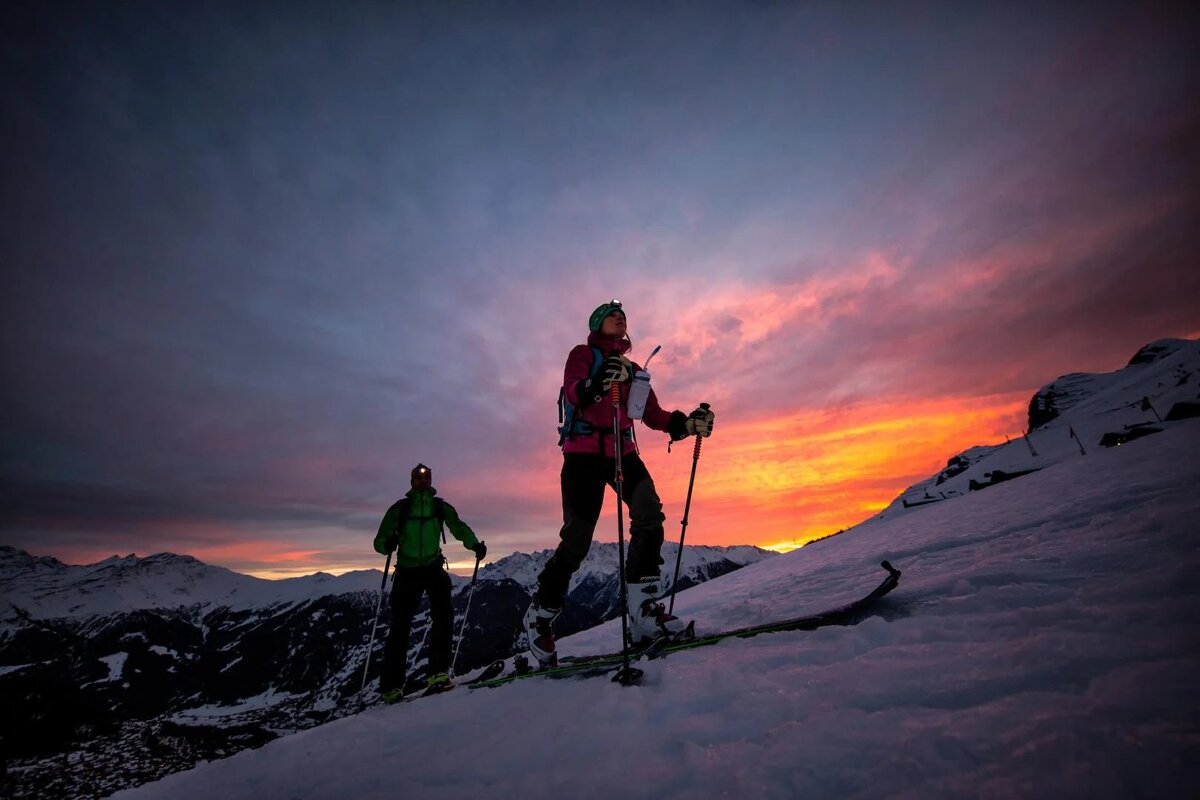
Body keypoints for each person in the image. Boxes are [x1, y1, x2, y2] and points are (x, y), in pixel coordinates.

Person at [524, 299, 715, 665]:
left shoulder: (632, 369)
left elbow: (652, 415)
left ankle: (643, 609)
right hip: (582, 453)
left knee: (649, 512)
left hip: (622, 451)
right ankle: (540, 613)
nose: (620, 317)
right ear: (597, 324)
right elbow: (574, 392)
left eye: (623, 316)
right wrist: (599, 382)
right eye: (612, 315)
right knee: (578, 538)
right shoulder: (582, 353)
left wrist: (688, 424)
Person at [373, 463, 486, 702]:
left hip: (431, 567)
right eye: (418, 478)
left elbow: (459, 527)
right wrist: (387, 545)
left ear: (431, 481)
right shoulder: (400, 509)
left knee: (442, 617)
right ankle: (393, 686)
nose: (423, 481)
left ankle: (437, 673)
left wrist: (474, 544)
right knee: (400, 627)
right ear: (411, 481)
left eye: (426, 478)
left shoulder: (439, 507)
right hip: (407, 570)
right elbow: (379, 540)